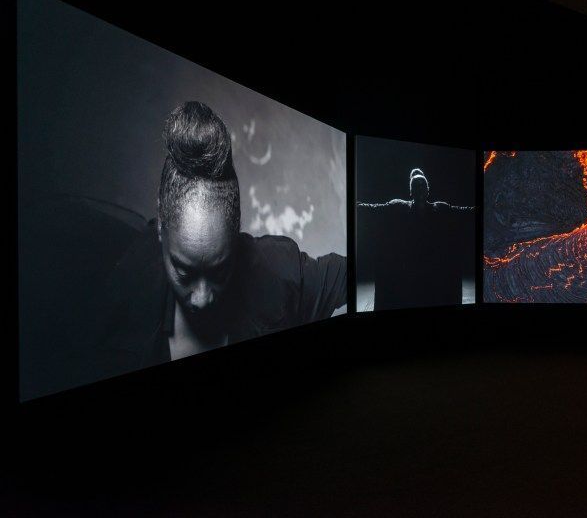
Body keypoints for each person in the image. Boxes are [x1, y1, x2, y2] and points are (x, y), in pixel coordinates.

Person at [70, 101, 346, 384]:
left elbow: (358, 271)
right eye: (184, 271)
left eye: (219, 270)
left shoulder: (279, 272)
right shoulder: (112, 291)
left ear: (236, 231)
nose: (202, 299)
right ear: (162, 229)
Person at [357, 168, 474, 310]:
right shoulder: (398, 207)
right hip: (409, 272)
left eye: (422, 185)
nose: (419, 188)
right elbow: (374, 209)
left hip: (431, 271)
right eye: (416, 186)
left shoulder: (440, 209)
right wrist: (355, 205)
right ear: (411, 192)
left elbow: (463, 212)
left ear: (427, 190)